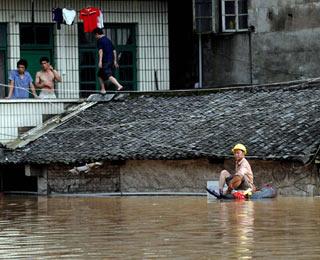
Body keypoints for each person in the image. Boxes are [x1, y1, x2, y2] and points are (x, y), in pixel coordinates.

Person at [92, 27, 123, 94]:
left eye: (94, 35)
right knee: (99, 74)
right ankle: (103, 89)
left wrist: (100, 61)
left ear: (97, 34)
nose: (95, 37)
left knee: (108, 74)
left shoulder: (100, 40)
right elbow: (114, 51)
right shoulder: (108, 40)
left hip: (105, 60)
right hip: (111, 60)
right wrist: (115, 61)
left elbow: (101, 51)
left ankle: (119, 85)